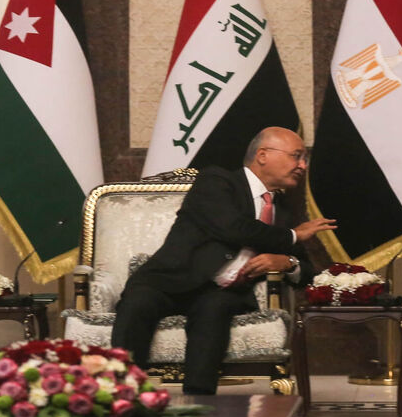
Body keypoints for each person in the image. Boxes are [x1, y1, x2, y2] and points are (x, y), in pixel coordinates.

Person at [111, 127, 336, 395]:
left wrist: (287, 262)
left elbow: (307, 272)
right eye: (296, 156)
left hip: (224, 291)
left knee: (214, 308)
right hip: (168, 279)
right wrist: (293, 236)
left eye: (304, 159)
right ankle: (120, 395)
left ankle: (201, 403)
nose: (302, 165)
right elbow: (233, 228)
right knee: (138, 303)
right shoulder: (216, 182)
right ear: (263, 155)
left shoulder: (284, 211)